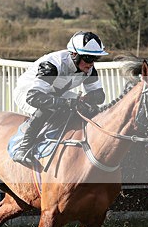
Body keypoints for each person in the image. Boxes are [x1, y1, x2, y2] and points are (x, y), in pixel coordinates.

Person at [10, 31, 108, 166]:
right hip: (28, 92)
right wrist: (65, 103)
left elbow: (100, 96)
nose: (91, 63)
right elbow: (34, 98)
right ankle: (23, 149)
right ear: (74, 54)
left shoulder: (89, 68)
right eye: (88, 58)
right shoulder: (52, 66)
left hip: (55, 93)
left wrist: (87, 99)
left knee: (91, 109)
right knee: (49, 108)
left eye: (95, 58)